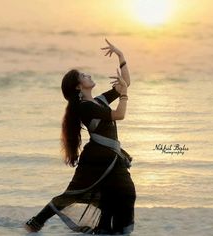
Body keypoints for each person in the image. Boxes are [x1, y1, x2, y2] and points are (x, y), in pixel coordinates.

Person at [24, 38, 136, 235]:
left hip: (110, 157)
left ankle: (106, 230)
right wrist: (124, 95)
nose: (89, 75)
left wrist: (121, 56)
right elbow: (120, 114)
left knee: (119, 194)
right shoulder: (85, 108)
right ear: (78, 87)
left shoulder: (99, 101)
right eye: (84, 75)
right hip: (98, 159)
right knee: (74, 194)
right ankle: (36, 222)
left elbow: (125, 83)